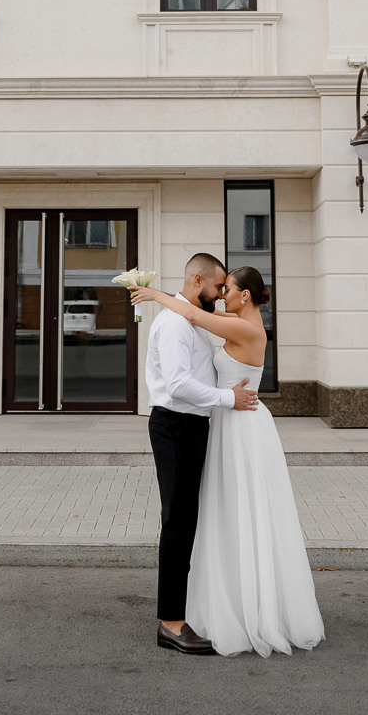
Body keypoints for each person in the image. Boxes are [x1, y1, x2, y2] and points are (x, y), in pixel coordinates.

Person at [132, 264, 325, 658]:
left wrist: (153, 296)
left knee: (241, 514)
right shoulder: (232, 319)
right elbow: (191, 312)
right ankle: (223, 605)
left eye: (228, 289)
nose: (222, 294)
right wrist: (168, 298)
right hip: (220, 422)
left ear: (245, 296)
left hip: (241, 428)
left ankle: (245, 609)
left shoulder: (248, 328)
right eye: (219, 287)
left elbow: (191, 313)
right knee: (217, 515)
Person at [143, 253, 260, 654]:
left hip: (192, 427)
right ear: (197, 280)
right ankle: (171, 624)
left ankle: (185, 608)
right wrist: (229, 397)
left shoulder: (191, 319)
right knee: (178, 522)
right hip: (175, 427)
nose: (220, 293)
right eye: (217, 286)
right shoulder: (176, 323)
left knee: (189, 520)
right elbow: (177, 385)